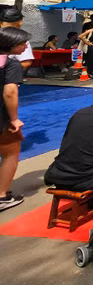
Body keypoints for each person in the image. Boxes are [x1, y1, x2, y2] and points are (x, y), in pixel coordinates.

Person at [0, 28, 30, 211]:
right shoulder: (10, 64)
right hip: (2, 119)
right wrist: (14, 119)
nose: (26, 46)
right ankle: (1, 196)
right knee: (11, 152)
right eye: (22, 43)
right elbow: (10, 92)